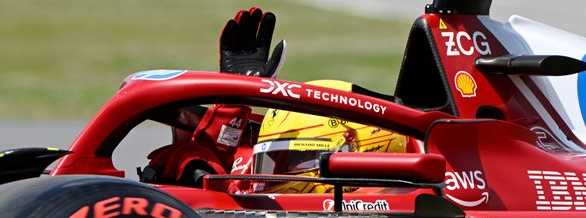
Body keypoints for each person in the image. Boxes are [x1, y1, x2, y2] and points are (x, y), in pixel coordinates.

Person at [144, 8, 408, 193]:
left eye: (292, 159)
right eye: (272, 158)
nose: (270, 174)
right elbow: (200, 178)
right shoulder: (258, 186)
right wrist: (233, 102)